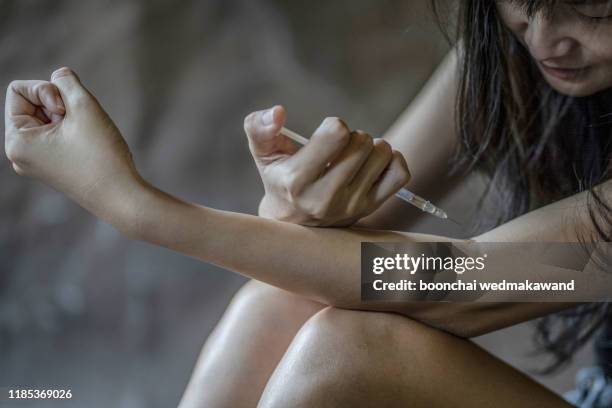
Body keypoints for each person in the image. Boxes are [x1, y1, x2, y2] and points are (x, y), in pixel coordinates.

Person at [4, 0, 612, 406]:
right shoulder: (518, 57)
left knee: (346, 352)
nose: (546, 40)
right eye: (522, 4)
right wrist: (295, 210)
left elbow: (465, 285)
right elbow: (327, 255)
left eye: (591, 10)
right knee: (278, 298)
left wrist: (135, 209)